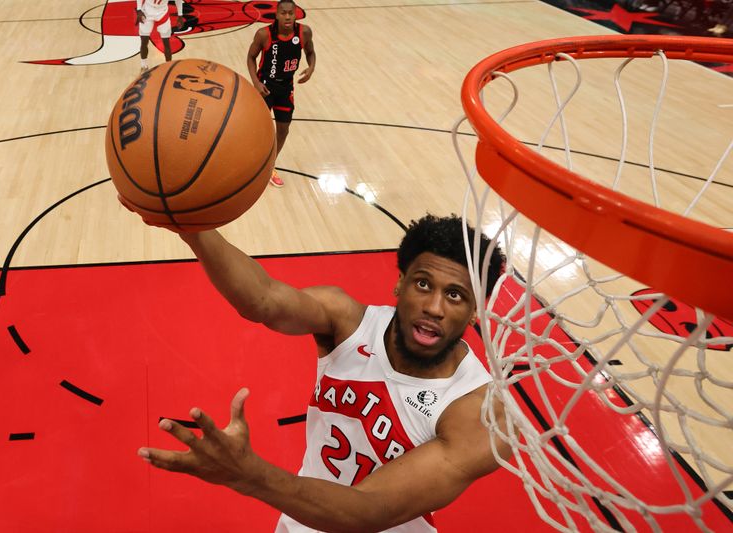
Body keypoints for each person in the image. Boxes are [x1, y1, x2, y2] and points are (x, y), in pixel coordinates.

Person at [135, 213, 510, 532]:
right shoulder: (347, 322)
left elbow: (368, 508)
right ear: (400, 283)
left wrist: (248, 474)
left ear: (477, 311)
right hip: (301, 519)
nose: (433, 307)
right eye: (423, 283)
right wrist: (192, 226)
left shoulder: (479, 412)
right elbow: (262, 298)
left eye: (455, 295)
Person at [246, 0, 316, 188]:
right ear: (276, 14)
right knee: (257, 128)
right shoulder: (264, 34)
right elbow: (251, 57)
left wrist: (311, 68)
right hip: (265, 88)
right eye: (283, 13)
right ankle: (248, 162)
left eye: (290, 13)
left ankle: (270, 165)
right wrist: (256, 82)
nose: (287, 17)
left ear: (295, 14)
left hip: (286, 88)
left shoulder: (304, 32)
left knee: (283, 129)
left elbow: (311, 52)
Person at [137, 0, 185, 72]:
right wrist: (139, 10)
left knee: (166, 43)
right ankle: (144, 66)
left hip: (162, 13)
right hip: (147, 11)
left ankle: (168, 68)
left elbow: (178, 0)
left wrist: (180, 15)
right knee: (144, 41)